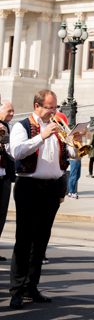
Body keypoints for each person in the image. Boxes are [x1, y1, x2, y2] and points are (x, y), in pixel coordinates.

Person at [8, 89, 74, 309]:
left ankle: (31, 286)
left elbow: (72, 154)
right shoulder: (22, 126)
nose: (53, 112)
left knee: (41, 240)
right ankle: (16, 290)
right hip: (29, 186)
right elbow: (17, 151)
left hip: (52, 187)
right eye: (49, 107)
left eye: (55, 107)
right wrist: (41, 136)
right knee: (24, 239)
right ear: (37, 106)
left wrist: (75, 141)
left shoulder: (57, 127)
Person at [0, 100, 15, 259]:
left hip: (4, 176)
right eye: (9, 111)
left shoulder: (7, 127)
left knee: (2, 214)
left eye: (13, 111)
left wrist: (6, 139)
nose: (12, 114)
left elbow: (10, 152)